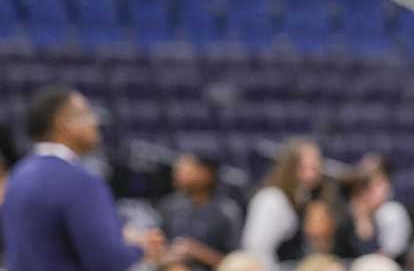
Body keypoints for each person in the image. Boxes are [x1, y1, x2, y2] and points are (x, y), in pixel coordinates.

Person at [1, 85, 167, 271]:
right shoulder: (80, 182)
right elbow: (109, 261)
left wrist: (120, 237)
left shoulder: (17, 176)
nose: (95, 121)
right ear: (63, 123)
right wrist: (142, 248)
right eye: (86, 113)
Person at [242, 138, 329, 270]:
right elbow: (256, 250)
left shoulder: (305, 199)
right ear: (293, 166)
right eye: (312, 164)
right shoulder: (271, 200)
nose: (318, 168)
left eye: (318, 162)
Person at [159, 152, 243, 270]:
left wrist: (199, 252)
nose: (177, 173)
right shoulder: (170, 206)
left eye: (186, 169)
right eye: (178, 170)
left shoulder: (227, 211)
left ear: (207, 174)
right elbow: (160, 249)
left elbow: (238, 263)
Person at [355, 154, 412, 259]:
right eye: (367, 186)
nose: (372, 190)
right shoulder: (353, 209)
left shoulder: (392, 212)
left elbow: (388, 254)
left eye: (378, 185)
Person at [334, 169, 392, 258]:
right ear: (363, 191)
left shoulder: (375, 219)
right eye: (378, 185)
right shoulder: (342, 218)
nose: (385, 190)